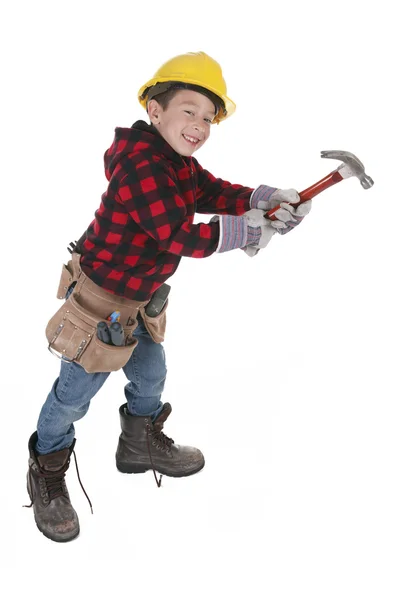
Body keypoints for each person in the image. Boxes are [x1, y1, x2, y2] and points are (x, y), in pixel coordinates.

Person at [25, 51, 312, 543]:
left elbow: (213, 190)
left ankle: (138, 446)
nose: (199, 125)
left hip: (136, 301)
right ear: (155, 111)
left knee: (151, 372)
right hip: (99, 302)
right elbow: (173, 234)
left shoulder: (178, 163)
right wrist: (244, 231)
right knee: (75, 396)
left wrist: (259, 199)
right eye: (189, 110)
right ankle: (46, 469)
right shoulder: (140, 165)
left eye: (208, 118)